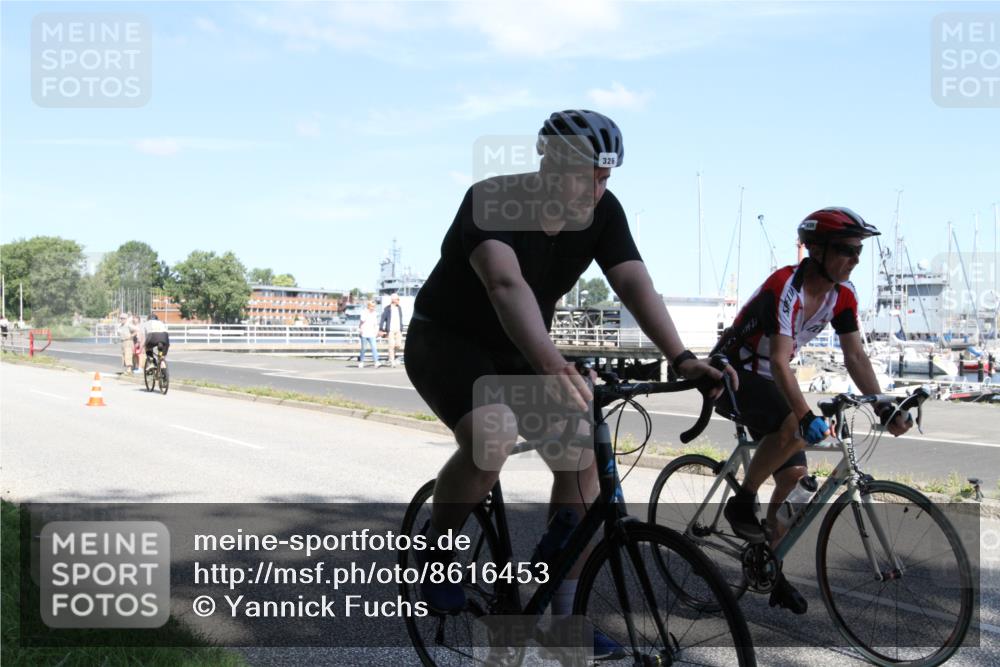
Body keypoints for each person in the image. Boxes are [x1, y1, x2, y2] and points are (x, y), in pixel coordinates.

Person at [404, 109, 734, 657]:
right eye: (587, 175)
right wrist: (555, 365)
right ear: (549, 164)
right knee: (492, 435)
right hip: (448, 342)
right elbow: (504, 283)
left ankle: (562, 619)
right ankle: (437, 550)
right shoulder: (493, 198)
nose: (597, 190)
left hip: (520, 349)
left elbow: (633, 280)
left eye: (606, 178)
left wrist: (681, 357)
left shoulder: (603, 211)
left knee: (584, 458)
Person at [714, 207, 913, 614]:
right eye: (846, 250)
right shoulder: (785, 286)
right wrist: (804, 415)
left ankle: (770, 566)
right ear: (817, 250)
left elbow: (855, 355)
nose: (855, 259)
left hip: (770, 375)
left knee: (795, 479)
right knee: (795, 424)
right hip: (732, 371)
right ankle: (742, 499)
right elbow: (783, 361)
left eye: (859, 252)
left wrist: (883, 407)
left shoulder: (844, 295)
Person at [378, 293, 405, 367]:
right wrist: (381, 328)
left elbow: (401, 318)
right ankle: (392, 360)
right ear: (393, 300)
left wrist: (401, 327)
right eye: (397, 299)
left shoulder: (399, 308)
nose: (398, 300)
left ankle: (392, 357)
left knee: (398, 345)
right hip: (390, 330)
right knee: (391, 346)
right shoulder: (387, 308)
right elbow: (382, 319)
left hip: (398, 329)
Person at [357, 300, 381, 368]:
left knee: (374, 347)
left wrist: (376, 332)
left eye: (374, 306)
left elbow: (376, 324)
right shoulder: (364, 312)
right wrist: (367, 312)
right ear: (368, 306)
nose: (373, 308)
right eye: (372, 306)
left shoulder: (375, 313)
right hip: (364, 332)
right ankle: (361, 362)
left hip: (372, 333)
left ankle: (376, 361)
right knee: (364, 348)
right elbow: (362, 320)